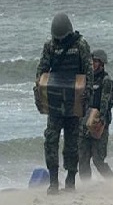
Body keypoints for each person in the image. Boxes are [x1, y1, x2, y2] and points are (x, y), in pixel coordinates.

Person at [36, 13, 93, 194]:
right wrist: (39, 92)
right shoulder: (50, 46)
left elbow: (88, 71)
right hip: (54, 102)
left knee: (72, 142)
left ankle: (70, 180)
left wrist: (88, 94)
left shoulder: (80, 44)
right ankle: (53, 181)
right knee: (50, 140)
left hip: (74, 102)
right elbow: (42, 71)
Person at [78, 49, 113, 180]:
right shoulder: (87, 80)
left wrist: (102, 120)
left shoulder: (106, 81)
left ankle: (111, 183)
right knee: (83, 158)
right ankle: (86, 186)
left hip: (99, 123)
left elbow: (105, 102)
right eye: (92, 61)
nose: (93, 63)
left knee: (98, 160)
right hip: (84, 122)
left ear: (102, 63)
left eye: (96, 61)